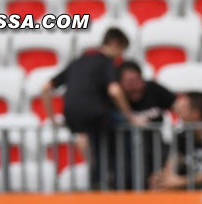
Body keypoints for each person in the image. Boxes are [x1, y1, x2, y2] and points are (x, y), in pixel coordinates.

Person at [43, 27, 143, 188]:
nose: (120, 56)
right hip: (97, 115)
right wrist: (131, 117)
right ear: (115, 44)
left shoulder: (78, 61)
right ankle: (117, 177)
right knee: (121, 132)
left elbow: (45, 88)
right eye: (121, 51)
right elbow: (115, 90)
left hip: (72, 117)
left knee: (90, 144)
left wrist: (53, 119)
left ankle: (98, 174)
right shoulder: (106, 62)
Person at [118, 59, 177, 188]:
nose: (135, 86)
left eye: (137, 81)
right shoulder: (115, 101)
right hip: (126, 157)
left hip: (157, 151)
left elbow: (178, 105)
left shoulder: (152, 89)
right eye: (129, 82)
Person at [150, 92, 202, 190]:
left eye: (184, 109)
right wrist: (162, 179)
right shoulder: (182, 137)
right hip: (188, 197)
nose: (179, 115)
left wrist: (178, 182)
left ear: (196, 114)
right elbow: (170, 169)